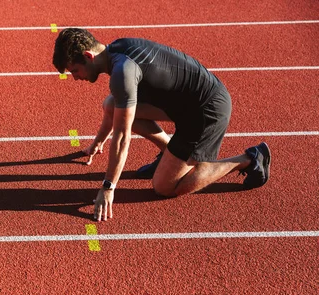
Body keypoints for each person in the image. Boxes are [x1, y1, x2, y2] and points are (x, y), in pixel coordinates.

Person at [52, 29, 271, 222]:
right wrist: (97, 143)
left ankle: (249, 159)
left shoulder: (122, 72)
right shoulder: (116, 50)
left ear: (88, 56)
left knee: (164, 186)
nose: (75, 78)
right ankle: (169, 153)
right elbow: (116, 114)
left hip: (205, 111)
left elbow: (122, 137)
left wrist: (108, 187)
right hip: (184, 105)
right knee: (111, 104)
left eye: (75, 71)